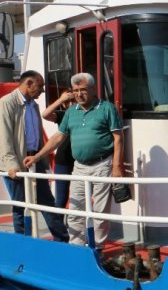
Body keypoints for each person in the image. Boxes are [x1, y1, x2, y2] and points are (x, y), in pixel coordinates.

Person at [24, 72, 122, 249]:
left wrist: (116, 166)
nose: (79, 94)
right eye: (75, 90)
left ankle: (97, 248)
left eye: (83, 89)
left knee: (100, 212)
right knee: (75, 210)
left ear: (92, 89)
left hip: (102, 164)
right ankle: (76, 247)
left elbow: (118, 137)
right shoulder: (71, 112)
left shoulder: (107, 108)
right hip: (79, 167)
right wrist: (37, 156)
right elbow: (58, 137)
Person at [0, 70, 68, 241]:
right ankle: (23, 243)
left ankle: (62, 240)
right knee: (21, 206)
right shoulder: (6, 103)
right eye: (41, 86)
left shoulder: (33, 105)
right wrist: (11, 165)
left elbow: (36, 135)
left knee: (47, 201)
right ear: (28, 83)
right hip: (16, 164)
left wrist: (41, 160)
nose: (43, 90)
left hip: (34, 161)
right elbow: (4, 136)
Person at [42, 87, 75, 208]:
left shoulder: (85, 115)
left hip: (81, 162)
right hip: (63, 160)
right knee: (61, 198)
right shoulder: (63, 115)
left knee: (81, 197)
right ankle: (59, 226)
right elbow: (45, 114)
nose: (70, 104)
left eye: (73, 101)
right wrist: (60, 100)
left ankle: (80, 225)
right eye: (67, 102)